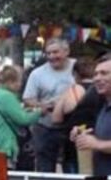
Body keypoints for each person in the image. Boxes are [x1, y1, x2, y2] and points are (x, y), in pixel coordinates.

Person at [24, 38, 76, 172]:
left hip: (73, 127)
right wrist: (44, 106)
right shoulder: (37, 74)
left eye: (55, 52)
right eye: (48, 53)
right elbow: (28, 99)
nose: (52, 57)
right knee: (45, 167)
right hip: (45, 127)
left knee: (72, 166)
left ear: (66, 51)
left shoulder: (77, 67)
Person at [0, 65, 41, 168]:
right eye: (19, 81)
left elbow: (10, 114)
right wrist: (39, 112)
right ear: (11, 82)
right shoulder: (7, 96)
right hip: (3, 146)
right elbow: (23, 119)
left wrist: (26, 110)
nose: (20, 84)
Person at [71, 54, 111, 176]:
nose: (97, 78)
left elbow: (98, 143)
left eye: (104, 73)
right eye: (95, 74)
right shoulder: (103, 106)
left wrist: (97, 144)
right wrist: (83, 134)